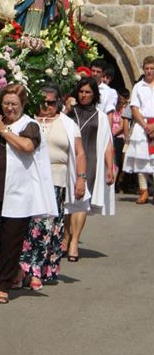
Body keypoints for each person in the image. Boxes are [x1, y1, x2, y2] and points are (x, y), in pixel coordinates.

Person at [0, 84, 57, 304]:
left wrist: (4, 131)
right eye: (6, 104)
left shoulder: (29, 125)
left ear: (23, 104)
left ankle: (3, 285)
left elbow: (27, 146)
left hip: (18, 193)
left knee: (11, 242)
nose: (9, 108)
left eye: (14, 105)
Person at [16, 86, 87, 289]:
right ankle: (20, 268)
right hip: (28, 179)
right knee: (24, 226)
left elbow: (80, 153)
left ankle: (36, 269)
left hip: (56, 180)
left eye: (51, 102)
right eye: (43, 102)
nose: (46, 106)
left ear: (58, 103)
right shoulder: (27, 121)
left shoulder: (68, 124)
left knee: (45, 226)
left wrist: (81, 179)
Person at [63, 77, 115, 260]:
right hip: (69, 160)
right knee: (67, 202)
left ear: (94, 95)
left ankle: (74, 241)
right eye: (81, 91)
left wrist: (110, 167)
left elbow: (107, 143)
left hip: (91, 162)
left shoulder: (100, 116)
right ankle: (66, 236)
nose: (84, 95)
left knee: (81, 201)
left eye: (88, 92)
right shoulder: (69, 113)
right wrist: (67, 109)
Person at [124, 56, 154, 204]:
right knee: (141, 160)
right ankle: (143, 191)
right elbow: (134, 107)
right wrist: (145, 125)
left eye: (152, 69)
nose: (149, 71)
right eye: (147, 69)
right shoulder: (138, 86)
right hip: (142, 125)